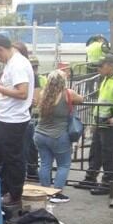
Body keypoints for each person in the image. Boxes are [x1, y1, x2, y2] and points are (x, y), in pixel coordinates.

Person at [0, 34, 35, 206]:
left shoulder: (18, 64)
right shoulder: (12, 63)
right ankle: (5, 190)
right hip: (5, 116)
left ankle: (14, 194)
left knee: (13, 159)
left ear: (0, 49)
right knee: (4, 157)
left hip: (13, 120)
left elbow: (22, 93)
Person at [76, 55, 113, 196]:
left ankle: (108, 183)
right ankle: (91, 178)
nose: (98, 68)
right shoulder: (106, 79)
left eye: (101, 66)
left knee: (108, 153)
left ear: (111, 65)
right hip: (100, 121)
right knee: (95, 151)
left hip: (109, 123)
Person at [34, 70, 85, 203]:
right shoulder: (68, 93)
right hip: (58, 135)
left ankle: (45, 191)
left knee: (45, 164)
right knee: (63, 164)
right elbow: (81, 99)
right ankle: (56, 193)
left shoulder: (43, 94)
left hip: (39, 134)